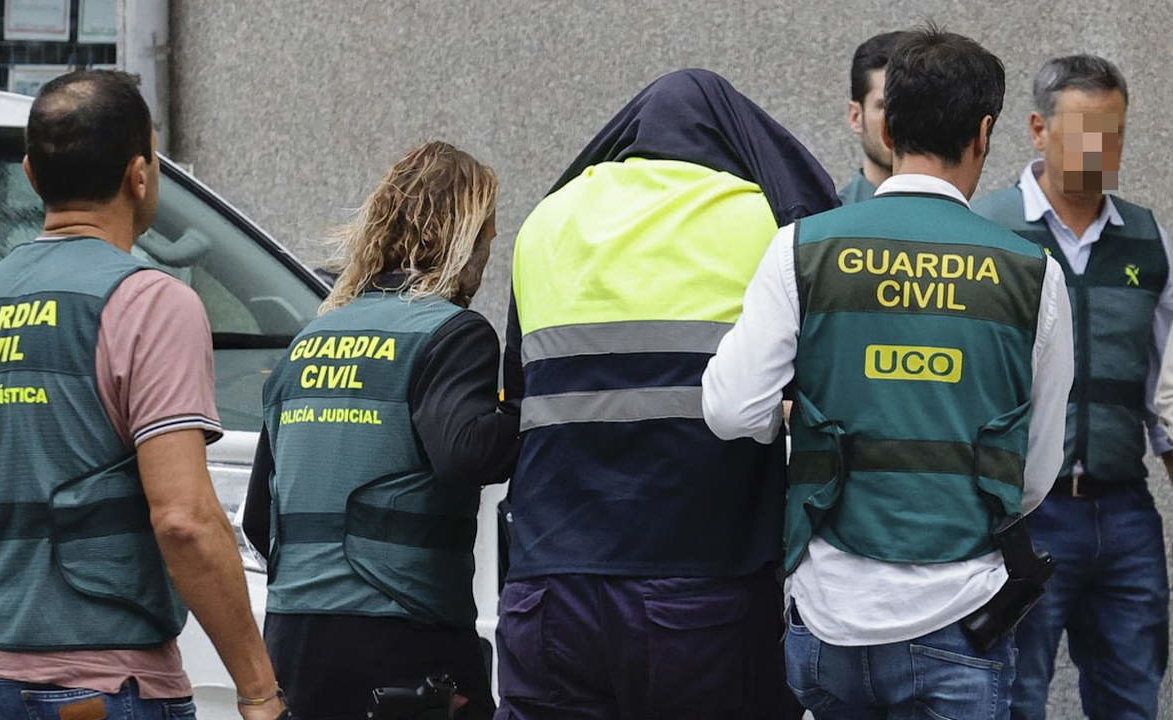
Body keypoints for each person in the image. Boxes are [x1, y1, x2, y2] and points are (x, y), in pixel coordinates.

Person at [703, 27, 1073, 718]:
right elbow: (1033, 472)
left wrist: (798, 419)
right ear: (984, 131)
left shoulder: (801, 249)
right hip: (958, 616)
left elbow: (730, 411)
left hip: (828, 619)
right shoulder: (1031, 273)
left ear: (888, 121)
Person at [0, 71, 287, 720]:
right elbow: (184, 518)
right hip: (100, 685)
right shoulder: (149, 303)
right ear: (140, 174)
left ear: (29, 174)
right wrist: (259, 691)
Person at [497, 68, 837, 720]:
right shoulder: (758, 215)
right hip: (694, 590)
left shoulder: (545, 221)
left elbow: (520, 393)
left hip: (543, 593)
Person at [242, 141, 518, 720]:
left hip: (294, 640)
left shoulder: (308, 341)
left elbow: (258, 520)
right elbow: (467, 454)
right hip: (405, 643)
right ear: (464, 238)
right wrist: (526, 401)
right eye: (490, 235)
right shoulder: (453, 335)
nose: (490, 254)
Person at [973, 54, 1173, 720]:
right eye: (1084, 130)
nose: (1099, 149)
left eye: (1113, 133)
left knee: (1131, 698)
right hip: (1023, 517)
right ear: (1036, 128)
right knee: (1014, 698)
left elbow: (1165, 399)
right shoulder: (985, 232)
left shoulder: (1151, 242)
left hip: (1124, 514)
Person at [838, 31, 903, 204]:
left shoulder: (964, 221)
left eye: (915, 106)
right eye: (887, 107)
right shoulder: (825, 224)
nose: (902, 119)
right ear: (856, 117)